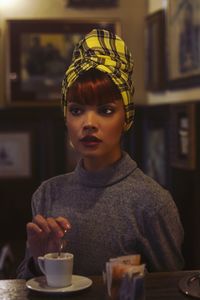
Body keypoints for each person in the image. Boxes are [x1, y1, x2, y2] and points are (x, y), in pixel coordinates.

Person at [17, 29, 184, 279]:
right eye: (76, 110)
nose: (88, 123)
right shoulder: (47, 194)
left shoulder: (151, 202)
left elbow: (173, 287)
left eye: (105, 111)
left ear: (125, 117)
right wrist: (36, 260)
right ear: (66, 118)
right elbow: (24, 285)